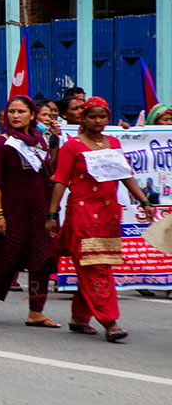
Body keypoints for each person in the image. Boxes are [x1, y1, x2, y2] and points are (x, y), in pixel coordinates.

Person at [47, 96, 155, 341]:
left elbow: (125, 175)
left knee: (99, 265)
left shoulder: (113, 143)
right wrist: (52, 214)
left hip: (108, 215)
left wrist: (144, 200)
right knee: (96, 268)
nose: (98, 121)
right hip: (82, 215)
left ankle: (79, 318)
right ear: (83, 118)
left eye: (102, 116)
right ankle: (110, 320)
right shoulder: (72, 146)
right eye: (92, 116)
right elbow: (60, 181)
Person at [0, 95, 60, 327]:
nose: (15, 116)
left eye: (21, 111)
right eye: (12, 111)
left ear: (32, 115)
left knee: (41, 260)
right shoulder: (0, 143)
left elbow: (48, 175)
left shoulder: (39, 141)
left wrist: (53, 211)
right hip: (12, 212)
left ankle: (35, 312)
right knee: (3, 260)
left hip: (40, 212)